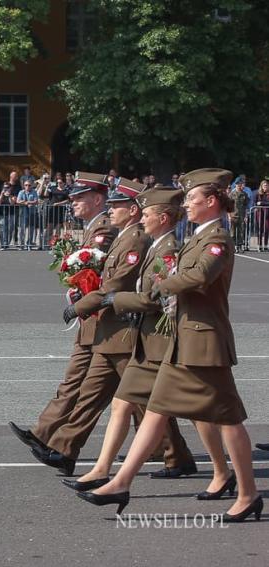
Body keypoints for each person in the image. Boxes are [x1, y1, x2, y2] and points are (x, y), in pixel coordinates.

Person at [78, 168, 262, 522]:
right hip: (185, 339)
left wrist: (163, 286)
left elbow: (201, 275)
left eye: (192, 199)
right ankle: (120, 481)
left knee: (229, 420)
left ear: (211, 202)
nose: (187, 205)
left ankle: (247, 493)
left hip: (205, 343)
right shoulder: (196, 236)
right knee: (158, 409)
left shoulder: (218, 238)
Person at [61, 186, 197, 491]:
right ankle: (103, 471)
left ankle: (219, 473)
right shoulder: (154, 245)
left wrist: (113, 300)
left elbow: (155, 297)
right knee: (124, 404)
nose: (142, 218)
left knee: (207, 412)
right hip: (139, 334)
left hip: (156, 337)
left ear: (162, 218)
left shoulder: (167, 249)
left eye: (147, 213)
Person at [32, 179, 151, 475]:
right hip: (108, 324)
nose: (111, 210)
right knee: (95, 394)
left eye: (117, 205)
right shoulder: (124, 235)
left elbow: (114, 285)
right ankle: (64, 449)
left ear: (133, 210)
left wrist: (79, 306)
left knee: (140, 399)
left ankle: (173, 452)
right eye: (109, 205)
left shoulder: (132, 238)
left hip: (120, 325)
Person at [9, 172, 118, 470]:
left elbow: (99, 270)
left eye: (79, 198)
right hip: (93, 317)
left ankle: (169, 449)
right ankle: (45, 435)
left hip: (105, 318)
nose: (73, 203)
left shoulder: (104, 227)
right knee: (83, 382)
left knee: (123, 394)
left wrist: (80, 290)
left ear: (97, 199)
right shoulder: (93, 226)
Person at [255, 179, 269, 251]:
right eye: (264, 185)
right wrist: (259, 203)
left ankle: (266, 245)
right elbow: (255, 203)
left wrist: (262, 203)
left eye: (266, 185)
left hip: (267, 214)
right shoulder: (258, 194)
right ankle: (259, 245)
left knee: (266, 230)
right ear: (261, 186)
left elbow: (261, 203)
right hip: (260, 214)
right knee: (260, 230)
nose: (265, 187)